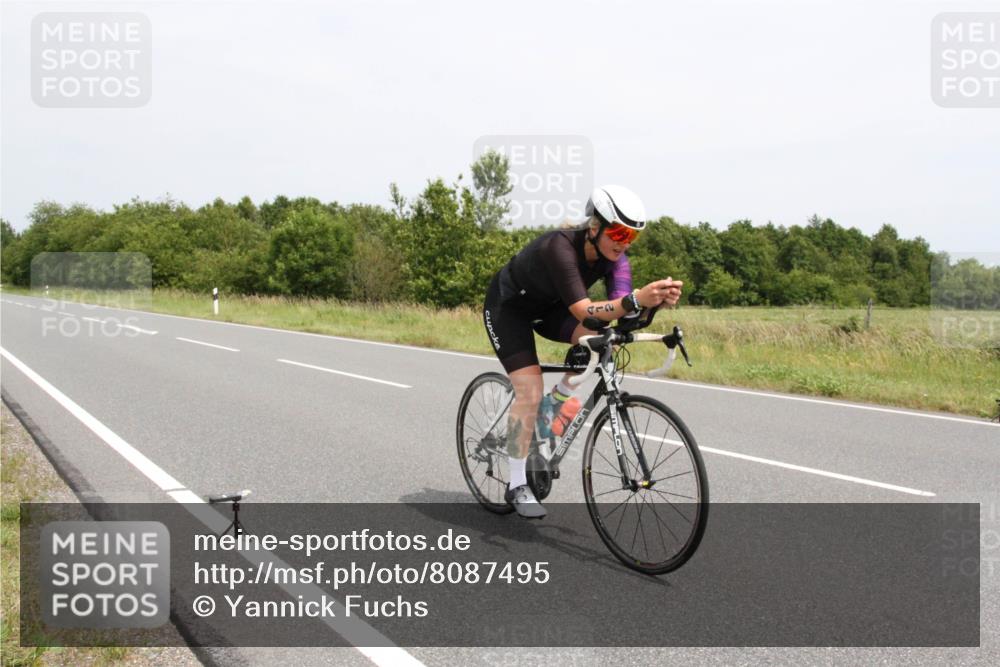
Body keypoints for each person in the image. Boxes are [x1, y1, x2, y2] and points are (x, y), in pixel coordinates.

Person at [482, 185, 683, 518]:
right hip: (510, 309)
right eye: (618, 232)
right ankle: (517, 483)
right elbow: (586, 311)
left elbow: (623, 317)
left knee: (600, 343)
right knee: (529, 391)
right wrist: (635, 299)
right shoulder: (559, 247)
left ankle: (551, 412)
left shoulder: (617, 262)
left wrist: (652, 305)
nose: (624, 241)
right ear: (595, 228)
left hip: (552, 310)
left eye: (631, 236)